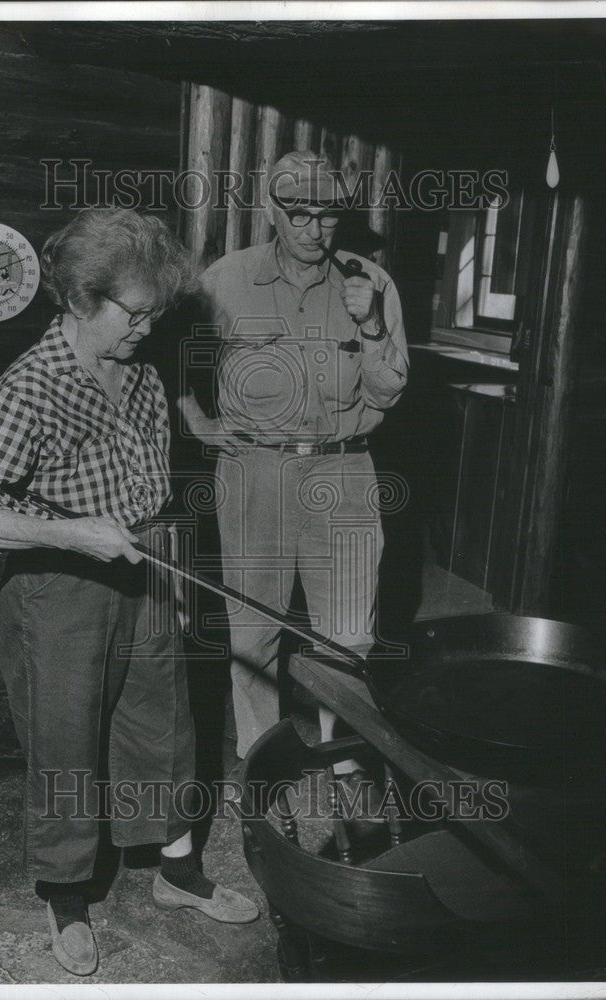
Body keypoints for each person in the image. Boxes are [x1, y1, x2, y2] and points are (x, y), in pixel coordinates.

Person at [0, 208, 257, 978]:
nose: (146, 328)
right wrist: (72, 534)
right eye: (134, 313)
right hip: (60, 587)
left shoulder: (140, 373)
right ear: (78, 299)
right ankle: (65, 894)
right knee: (66, 739)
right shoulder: (28, 387)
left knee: (163, 723)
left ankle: (175, 872)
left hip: (142, 567)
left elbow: (144, 468)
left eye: (155, 313)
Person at [179, 151, 409, 800]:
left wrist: (367, 324)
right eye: (299, 213)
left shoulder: (373, 283)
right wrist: (195, 420)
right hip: (253, 472)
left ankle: (344, 756)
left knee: (346, 630)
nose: (314, 227)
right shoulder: (225, 280)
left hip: (345, 470)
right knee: (254, 625)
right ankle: (259, 760)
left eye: (327, 213)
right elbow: (171, 358)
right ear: (272, 211)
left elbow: (391, 390)